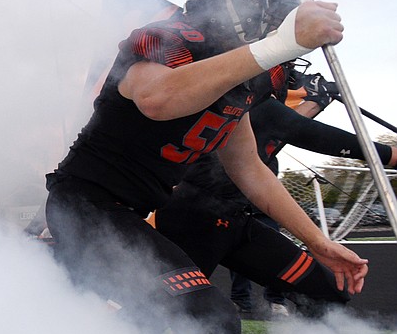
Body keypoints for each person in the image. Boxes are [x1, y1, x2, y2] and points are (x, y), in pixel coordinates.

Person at [43, 0, 368, 334]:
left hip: (133, 212)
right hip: (87, 204)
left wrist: (315, 240)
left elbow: (251, 172)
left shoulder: (240, 75)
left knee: (168, 322)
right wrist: (276, 47)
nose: (281, 20)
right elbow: (156, 99)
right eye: (277, 8)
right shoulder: (166, 36)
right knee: (206, 318)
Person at [156, 65, 397, 320]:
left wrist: (316, 101)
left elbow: (284, 127)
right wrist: (391, 155)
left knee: (323, 291)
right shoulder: (247, 102)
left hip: (235, 220)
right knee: (158, 314)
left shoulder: (252, 107)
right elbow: (310, 133)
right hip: (196, 222)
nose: (292, 78)